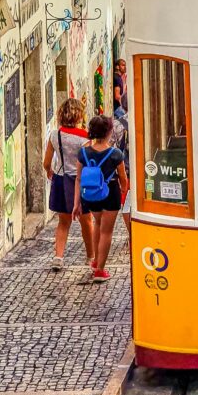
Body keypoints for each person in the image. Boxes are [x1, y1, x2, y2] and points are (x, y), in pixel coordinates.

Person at [74, 115, 128, 282]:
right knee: (106, 231)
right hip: (110, 192)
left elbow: (78, 178)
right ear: (109, 132)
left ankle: (96, 260)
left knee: (98, 223)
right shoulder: (115, 154)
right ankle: (100, 271)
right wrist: (124, 190)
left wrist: (76, 203)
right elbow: (123, 178)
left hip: (90, 195)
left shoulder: (83, 152)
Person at [42, 99, 95, 271]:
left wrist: (50, 171)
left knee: (63, 221)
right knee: (86, 221)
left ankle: (58, 257)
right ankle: (90, 257)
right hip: (80, 181)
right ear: (79, 116)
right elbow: (89, 162)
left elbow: (46, 162)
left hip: (60, 179)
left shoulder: (54, 135)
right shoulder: (85, 138)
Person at [113, 100, 132, 238]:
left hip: (126, 169)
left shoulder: (118, 124)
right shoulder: (149, 115)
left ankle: (131, 233)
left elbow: (111, 148)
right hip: (148, 168)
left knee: (126, 204)